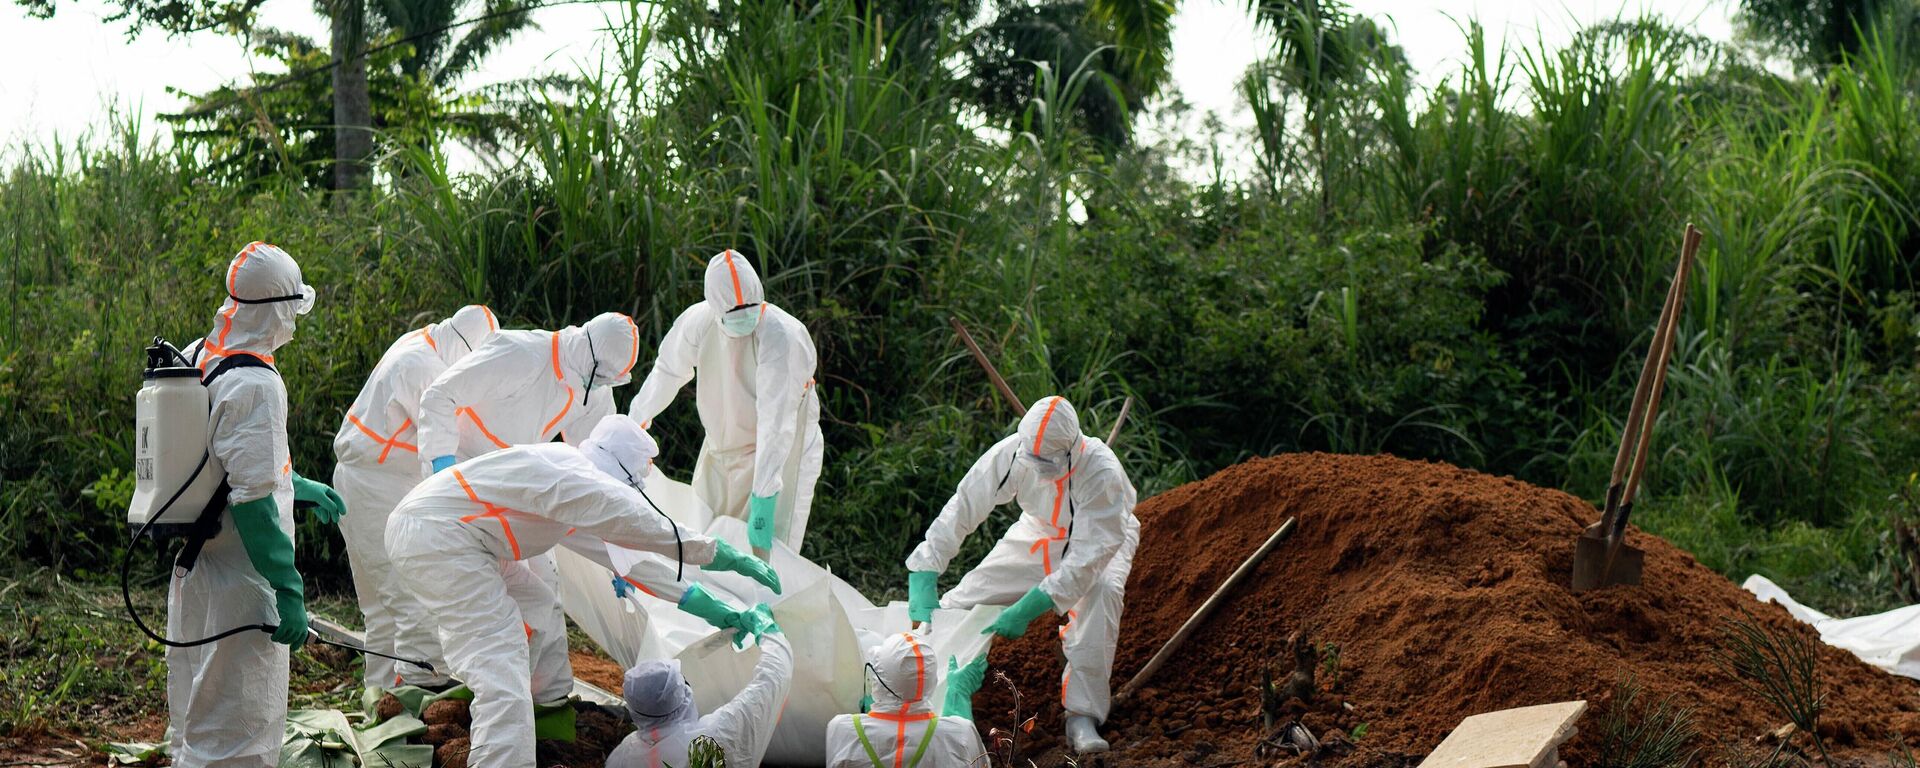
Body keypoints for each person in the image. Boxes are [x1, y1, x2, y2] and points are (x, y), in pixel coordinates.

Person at [386, 415, 780, 768]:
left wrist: (714, 609)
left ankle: (539, 717)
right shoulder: (571, 478)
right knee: (499, 659)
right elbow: (643, 525)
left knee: (537, 605)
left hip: (456, 537)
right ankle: (503, 751)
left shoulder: (570, 486)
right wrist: (720, 553)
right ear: (618, 474)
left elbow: (634, 564)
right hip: (438, 538)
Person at [170, 242, 346, 768]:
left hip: (200, 564)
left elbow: (225, 463)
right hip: (244, 584)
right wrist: (287, 591)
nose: (294, 320)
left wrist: (300, 485)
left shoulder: (203, 354)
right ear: (275, 310)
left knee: (198, 712)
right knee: (239, 728)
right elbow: (250, 504)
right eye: (292, 309)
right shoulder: (257, 384)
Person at [407, 310, 640, 686]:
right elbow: (439, 396)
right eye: (599, 376)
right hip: (462, 475)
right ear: (585, 344)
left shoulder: (591, 387)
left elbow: (598, 466)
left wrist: (620, 547)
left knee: (544, 585)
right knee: (474, 585)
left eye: (607, 381)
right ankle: (441, 681)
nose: (599, 385)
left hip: (517, 483)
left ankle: (544, 692)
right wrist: (443, 470)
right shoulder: (517, 351)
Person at [903, 396, 1139, 754]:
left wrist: (1030, 607)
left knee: (1101, 592)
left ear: (1072, 450)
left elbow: (1086, 560)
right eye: (1033, 459)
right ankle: (914, 680)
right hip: (1039, 531)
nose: (1038, 468)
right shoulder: (1014, 452)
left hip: (1103, 539)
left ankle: (1082, 716)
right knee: (968, 598)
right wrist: (925, 567)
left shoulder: (1101, 472)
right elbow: (965, 502)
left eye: (1047, 463)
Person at [331, 304, 498, 690]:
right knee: (411, 596)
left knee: (382, 608)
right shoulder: (425, 370)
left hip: (365, 479)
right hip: (377, 486)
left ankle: (383, 699)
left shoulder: (419, 341)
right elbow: (447, 442)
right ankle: (420, 701)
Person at [628, 250, 823, 559]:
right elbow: (667, 371)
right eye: (733, 312)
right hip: (722, 447)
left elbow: (776, 423)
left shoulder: (781, 335)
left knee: (770, 552)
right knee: (703, 536)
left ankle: (763, 606)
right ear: (715, 307)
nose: (743, 315)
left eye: (749, 307)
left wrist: (764, 498)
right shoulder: (699, 322)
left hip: (778, 455)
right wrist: (635, 424)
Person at [607, 608, 793, 768]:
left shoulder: (623, 755)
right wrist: (768, 629)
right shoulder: (716, 737)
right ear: (682, 695)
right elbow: (772, 678)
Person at [823, 633, 990, 768]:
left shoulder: (842, 729)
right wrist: (957, 696)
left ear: (877, 679)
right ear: (931, 680)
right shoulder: (959, 733)